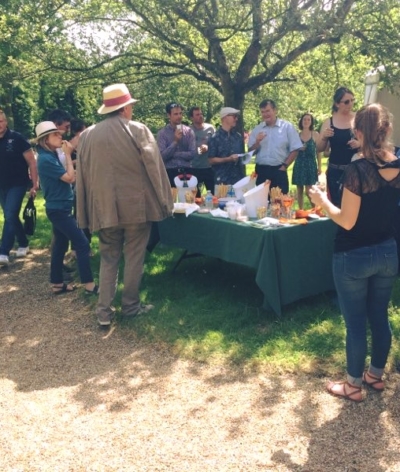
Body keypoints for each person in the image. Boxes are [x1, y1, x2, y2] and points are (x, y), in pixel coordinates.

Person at [309, 103, 400, 402]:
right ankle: (374, 375)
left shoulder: (357, 169)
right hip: (387, 252)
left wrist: (322, 200)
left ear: (358, 131)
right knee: (380, 316)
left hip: (354, 255)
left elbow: (347, 220)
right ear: (386, 130)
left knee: (356, 324)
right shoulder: (397, 163)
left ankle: (352, 385)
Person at [76, 83, 173, 327]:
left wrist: (85, 210)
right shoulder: (138, 130)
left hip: (104, 208)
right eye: (130, 106)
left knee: (108, 259)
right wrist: (165, 201)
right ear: (125, 108)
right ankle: (130, 306)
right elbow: (155, 168)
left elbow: (83, 175)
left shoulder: (87, 135)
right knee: (134, 257)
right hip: (136, 208)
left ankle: (103, 312)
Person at [35, 121, 97, 296]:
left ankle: (57, 283)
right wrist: (69, 155)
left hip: (60, 207)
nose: (60, 136)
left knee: (60, 246)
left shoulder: (50, 155)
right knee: (82, 244)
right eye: (55, 135)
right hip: (59, 210)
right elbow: (70, 178)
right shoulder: (46, 159)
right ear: (45, 140)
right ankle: (89, 285)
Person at [0, 110, 39, 266]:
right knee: (11, 216)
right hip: (1, 185)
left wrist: (35, 184)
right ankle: (23, 242)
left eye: (1, 121)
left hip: (18, 183)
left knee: (10, 213)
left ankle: (3, 252)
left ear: (6, 122)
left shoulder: (17, 139)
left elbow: (32, 162)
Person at [316, 87, 360, 207]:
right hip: (335, 171)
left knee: (354, 206)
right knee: (336, 205)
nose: (350, 104)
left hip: (356, 170)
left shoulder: (358, 119)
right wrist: (324, 137)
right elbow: (319, 148)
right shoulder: (328, 122)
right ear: (337, 103)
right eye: (346, 102)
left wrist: (360, 144)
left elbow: (371, 142)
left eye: (352, 100)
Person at [248, 99, 302, 193]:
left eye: (268, 111)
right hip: (261, 171)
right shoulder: (258, 129)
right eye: (263, 112)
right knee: (261, 204)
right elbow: (250, 152)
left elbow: (295, 148)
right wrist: (257, 142)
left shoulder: (287, 127)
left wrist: (285, 166)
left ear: (275, 110)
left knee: (280, 203)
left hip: (279, 170)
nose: (265, 114)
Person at [156, 102, 196, 187]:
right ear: (169, 115)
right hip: (170, 172)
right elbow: (162, 156)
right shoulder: (162, 134)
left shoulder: (189, 132)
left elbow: (192, 154)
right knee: (171, 199)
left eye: (180, 113)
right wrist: (175, 142)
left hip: (187, 171)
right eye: (175, 114)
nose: (179, 116)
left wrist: (174, 154)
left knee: (189, 199)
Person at [207, 107, 245, 185]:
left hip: (238, 180)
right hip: (222, 181)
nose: (236, 119)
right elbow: (211, 160)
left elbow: (242, 156)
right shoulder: (215, 137)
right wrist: (228, 159)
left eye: (237, 117)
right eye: (234, 116)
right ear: (225, 118)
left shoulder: (238, 137)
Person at [292, 113, 321, 209]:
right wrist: (298, 148)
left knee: (309, 191)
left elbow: (318, 152)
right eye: (304, 119)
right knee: (299, 189)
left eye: (309, 120)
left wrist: (320, 166)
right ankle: (301, 210)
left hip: (310, 164)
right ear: (301, 121)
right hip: (299, 163)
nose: (306, 121)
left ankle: (315, 209)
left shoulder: (315, 134)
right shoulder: (297, 135)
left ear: (311, 122)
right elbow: (292, 149)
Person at [188, 107, 215, 193]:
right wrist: (198, 149)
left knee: (213, 194)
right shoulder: (188, 131)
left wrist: (208, 147)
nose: (200, 116)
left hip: (209, 167)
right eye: (197, 114)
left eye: (201, 114)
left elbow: (216, 144)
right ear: (191, 118)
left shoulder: (210, 128)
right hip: (194, 168)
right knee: (195, 196)